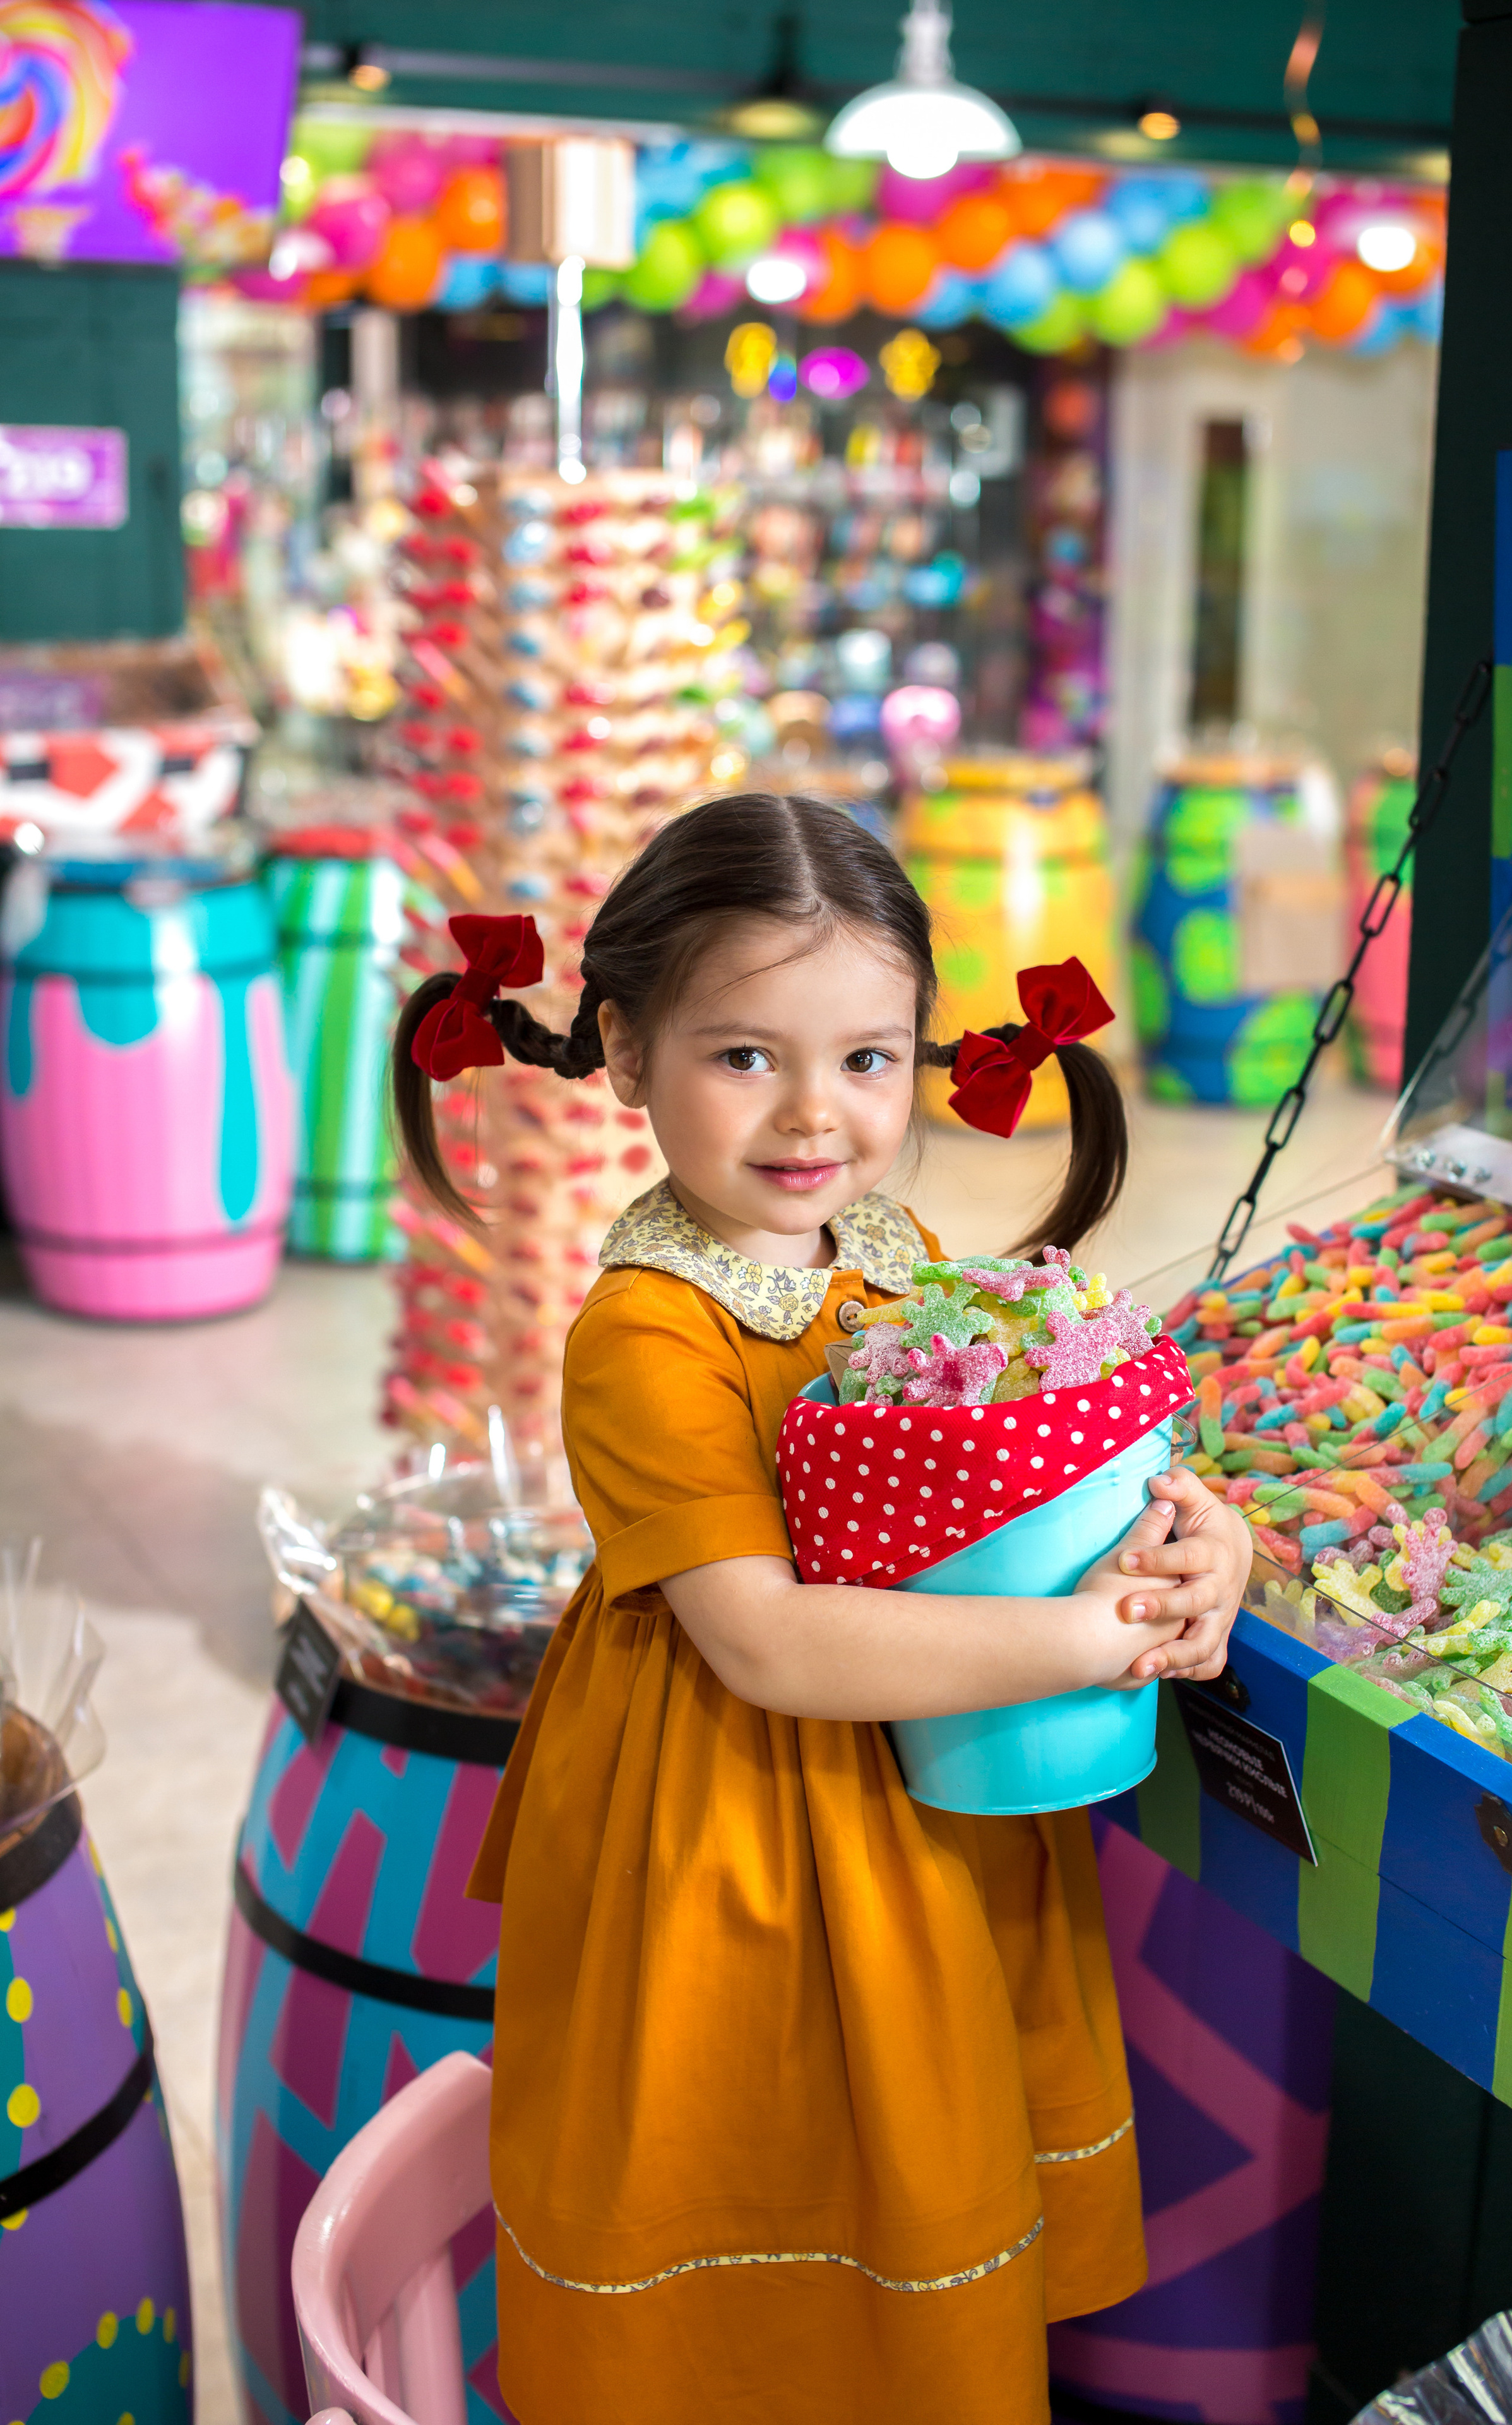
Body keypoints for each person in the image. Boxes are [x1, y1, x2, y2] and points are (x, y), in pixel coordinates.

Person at [392, 792, 1251, 2425]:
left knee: (919, 2193)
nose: (812, 1118)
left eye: (865, 1059)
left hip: (925, 1797)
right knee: (761, 2214)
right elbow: (770, 1641)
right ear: (627, 1053)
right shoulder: (648, 1340)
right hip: (733, 1832)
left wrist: (1193, 1537)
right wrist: (1096, 1639)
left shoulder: (889, 1250)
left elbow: (1002, 1477)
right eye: (743, 1057)